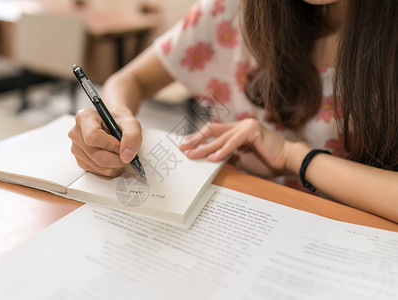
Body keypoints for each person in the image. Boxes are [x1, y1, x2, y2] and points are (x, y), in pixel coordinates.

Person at [68, 0, 398, 223]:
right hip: (231, 219)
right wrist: (117, 122)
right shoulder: (229, 11)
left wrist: (292, 156)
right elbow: (131, 79)